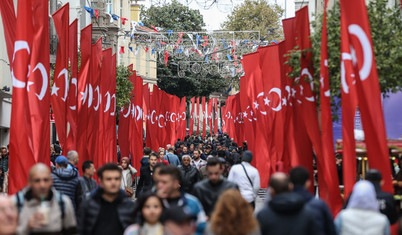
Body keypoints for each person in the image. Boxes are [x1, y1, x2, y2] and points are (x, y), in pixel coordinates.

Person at [13, 163, 77, 235]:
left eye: (46, 180)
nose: (42, 185)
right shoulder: (16, 203)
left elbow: (72, 231)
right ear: (30, 182)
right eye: (37, 180)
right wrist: (26, 228)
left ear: (51, 181)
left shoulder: (63, 203)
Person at [78, 163, 136, 235]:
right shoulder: (89, 205)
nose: (113, 182)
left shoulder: (129, 206)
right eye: (109, 179)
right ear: (101, 181)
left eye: (116, 179)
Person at [156, 165, 207, 235]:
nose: (160, 185)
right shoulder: (153, 203)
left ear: (175, 183)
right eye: (158, 182)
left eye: (164, 182)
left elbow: (202, 228)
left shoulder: (192, 202)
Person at [289, 166, 336, 235]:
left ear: (290, 183)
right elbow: (330, 230)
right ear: (308, 183)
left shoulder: (275, 206)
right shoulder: (320, 205)